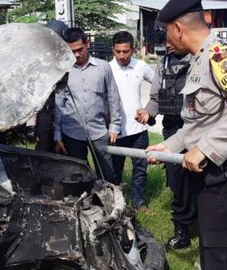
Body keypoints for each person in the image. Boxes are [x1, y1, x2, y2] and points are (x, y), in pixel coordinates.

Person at [147, 0, 227, 269]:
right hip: (214, 178)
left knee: (224, 260)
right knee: (212, 254)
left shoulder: (219, 56)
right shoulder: (199, 60)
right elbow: (202, 120)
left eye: (166, 32)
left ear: (178, 28)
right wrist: (170, 146)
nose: (166, 39)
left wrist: (205, 149)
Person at [136, 28, 197, 249]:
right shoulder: (163, 64)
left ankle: (204, 222)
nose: (168, 45)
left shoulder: (198, 59)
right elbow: (154, 99)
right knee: (178, 181)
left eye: (171, 40)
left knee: (201, 177)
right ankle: (181, 231)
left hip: (198, 129)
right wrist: (147, 113)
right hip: (172, 130)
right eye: (164, 41)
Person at [54, 27, 122, 183]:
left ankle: (110, 204)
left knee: (107, 174)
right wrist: (57, 135)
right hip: (72, 133)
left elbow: (113, 97)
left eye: (80, 49)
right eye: (72, 51)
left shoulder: (103, 67)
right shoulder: (64, 70)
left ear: (88, 44)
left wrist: (114, 127)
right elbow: (59, 103)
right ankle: (84, 204)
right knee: (77, 176)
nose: (77, 55)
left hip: (99, 132)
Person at [109, 31, 154, 212]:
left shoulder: (141, 66)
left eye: (125, 51)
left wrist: (149, 110)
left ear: (133, 50)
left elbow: (159, 87)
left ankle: (139, 203)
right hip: (115, 131)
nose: (121, 56)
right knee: (114, 172)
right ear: (113, 50)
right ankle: (113, 205)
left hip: (138, 130)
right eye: (118, 51)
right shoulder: (107, 69)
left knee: (140, 169)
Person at [34, 20, 69, 152]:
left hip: (66, 112)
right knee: (44, 153)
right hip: (46, 113)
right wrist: (32, 126)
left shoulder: (70, 61)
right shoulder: (39, 63)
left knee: (68, 151)